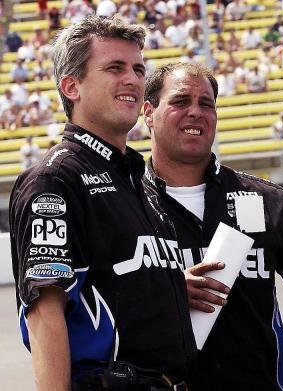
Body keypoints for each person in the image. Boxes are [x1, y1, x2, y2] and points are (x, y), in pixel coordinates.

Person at [9, 15, 197, 390]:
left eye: (138, 69)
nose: (133, 79)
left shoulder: (137, 181)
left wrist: (168, 287)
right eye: (115, 67)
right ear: (71, 86)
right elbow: (45, 313)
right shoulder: (57, 180)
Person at [142, 62, 283, 390]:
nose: (196, 112)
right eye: (180, 101)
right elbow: (91, 306)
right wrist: (166, 293)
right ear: (148, 112)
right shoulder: (121, 204)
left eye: (206, 104)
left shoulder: (267, 200)